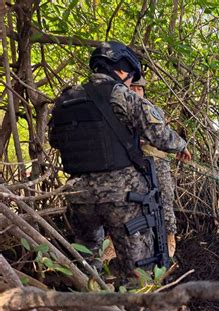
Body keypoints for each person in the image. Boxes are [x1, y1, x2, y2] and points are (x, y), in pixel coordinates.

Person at [48, 41, 191, 282]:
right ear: (122, 70)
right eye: (131, 77)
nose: (130, 83)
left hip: (79, 197)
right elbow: (159, 135)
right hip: (123, 199)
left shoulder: (65, 100)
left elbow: (54, 140)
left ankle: (87, 309)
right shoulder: (120, 95)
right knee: (138, 270)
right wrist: (181, 146)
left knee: (86, 263)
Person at [130, 77, 178, 257]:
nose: (136, 92)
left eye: (139, 89)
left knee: (165, 198)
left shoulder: (152, 110)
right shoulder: (119, 111)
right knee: (132, 204)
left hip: (157, 161)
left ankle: (170, 236)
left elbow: (161, 135)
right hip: (134, 164)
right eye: (132, 88)